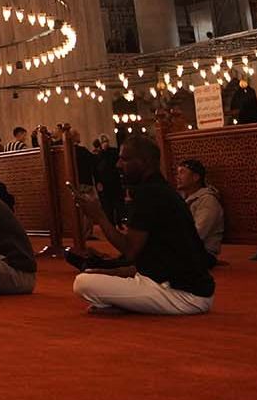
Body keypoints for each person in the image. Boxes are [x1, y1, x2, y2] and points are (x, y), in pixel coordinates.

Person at [70, 135, 215, 315]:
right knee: (93, 274)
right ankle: (129, 303)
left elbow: (130, 249)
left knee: (82, 282)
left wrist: (99, 216)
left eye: (124, 159)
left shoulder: (149, 194)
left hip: (183, 294)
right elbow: (149, 260)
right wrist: (111, 272)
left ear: (144, 162)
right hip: (177, 285)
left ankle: (130, 304)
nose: (118, 165)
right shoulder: (157, 189)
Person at [175, 158, 224, 260]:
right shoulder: (183, 199)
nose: (177, 177)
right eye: (177, 173)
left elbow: (198, 233)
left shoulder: (208, 200)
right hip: (186, 249)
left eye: (182, 173)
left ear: (195, 177)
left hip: (202, 253)